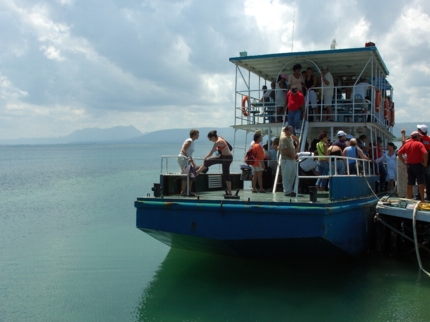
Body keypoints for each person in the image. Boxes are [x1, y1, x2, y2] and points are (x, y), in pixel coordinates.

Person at [196, 130, 233, 196]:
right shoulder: (219, 137)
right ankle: (197, 172)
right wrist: (206, 159)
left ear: (213, 137)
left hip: (227, 158)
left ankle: (230, 192)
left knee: (226, 173)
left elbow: (211, 153)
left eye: (210, 139)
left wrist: (205, 157)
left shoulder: (218, 142)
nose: (210, 140)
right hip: (222, 156)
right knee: (208, 161)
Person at [397, 131, 428, 202]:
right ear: (417, 137)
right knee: (421, 182)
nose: (420, 138)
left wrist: (404, 162)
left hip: (409, 166)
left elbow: (399, 153)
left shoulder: (407, 144)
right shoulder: (419, 144)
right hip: (418, 165)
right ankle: (422, 200)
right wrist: (425, 163)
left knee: (410, 182)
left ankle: (409, 199)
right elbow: (425, 153)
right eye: (420, 136)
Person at [177, 129, 199, 196]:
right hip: (183, 159)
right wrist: (188, 158)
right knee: (186, 174)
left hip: (187, 159)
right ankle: (183, 191)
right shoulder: (189, 140)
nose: (198, 135)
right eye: (198, 134)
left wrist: (193, 163)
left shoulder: (192, 142)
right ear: (194, 134)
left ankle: (189, 191)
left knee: (191, 175)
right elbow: (183, 150)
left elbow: (189, 153)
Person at [280, 126, 297, 196]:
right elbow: (284, 149)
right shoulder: (284, 138)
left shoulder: (289, 138)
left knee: (292, 175)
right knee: (286, 176)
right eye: (290, 130)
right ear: (286, 131)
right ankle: (287, 191)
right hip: (286, 159)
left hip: (291, 160)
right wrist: (292, 155)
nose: (291, 131)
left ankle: (290, 190)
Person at [417, 124, 430, 200]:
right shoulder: (429, 138)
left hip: (421, 162)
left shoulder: (419, 139)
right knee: (428, 179)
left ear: (420, 131)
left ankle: (419, 196)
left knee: (420, 179)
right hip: (429, 162)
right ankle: (429, 196)